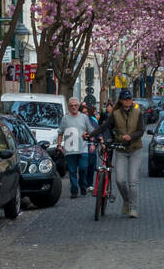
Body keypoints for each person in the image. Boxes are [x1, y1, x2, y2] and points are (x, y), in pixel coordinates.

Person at [86, 88, 145, 218]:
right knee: (120, 180)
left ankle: (133, 208)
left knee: (133, 181)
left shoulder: (137, 112)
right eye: (125, 99)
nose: (127, 101)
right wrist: (90, 134)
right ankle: (126, 200)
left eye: (129, 99)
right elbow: (104, 126)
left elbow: (141, 130)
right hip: (121, 149)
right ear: (121, 101)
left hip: (135, 149)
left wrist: (131, 136)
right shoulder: (116, 113)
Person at [60, 97, 95, 198]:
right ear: (69, 107)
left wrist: (92, 143)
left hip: (83, 148)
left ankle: (82, 184)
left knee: (83, 168)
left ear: (78, 106)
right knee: (72, 171)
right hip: (70, 149)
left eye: (75, 105)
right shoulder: (65, 118)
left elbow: (91, 131)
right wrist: (59, 145)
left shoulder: (84, 117)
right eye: (72, 105)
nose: (74, 107)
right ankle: (74, 190)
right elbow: (60, 132)